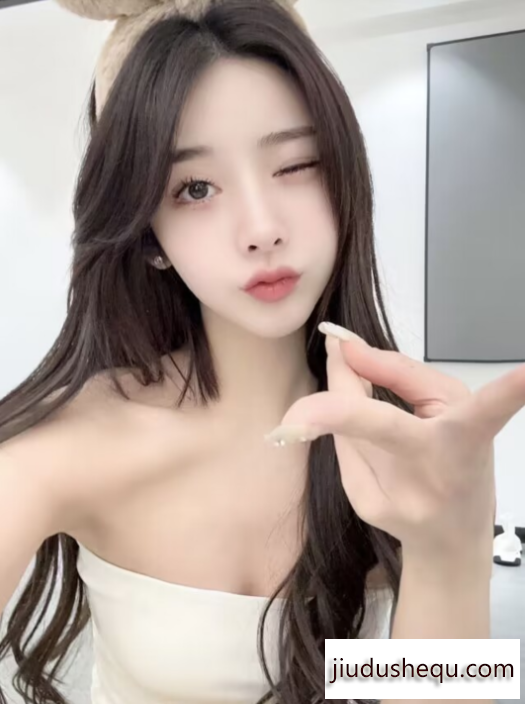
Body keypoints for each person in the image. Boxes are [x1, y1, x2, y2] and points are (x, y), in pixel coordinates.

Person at [1, 0, 520, 702]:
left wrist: (449, 553)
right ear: (147, 235)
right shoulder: (74, 444)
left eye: (296, 164)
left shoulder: (396, 447)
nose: (261, 227)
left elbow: (407, 683)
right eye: (195, 188)